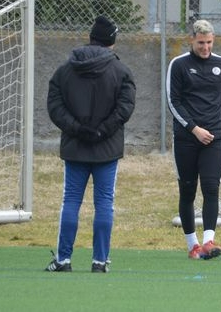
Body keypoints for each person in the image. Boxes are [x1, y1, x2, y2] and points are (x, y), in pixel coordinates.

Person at [45, 15, 136, 273]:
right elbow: (125, 108)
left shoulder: (65, 69)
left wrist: (78, 129)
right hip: (106, 148)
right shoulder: (121, 71)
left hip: (75, 146)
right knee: (105, 202)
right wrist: (101, 131)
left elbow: (55, 106)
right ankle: (99, 261)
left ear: (90, 37)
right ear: (112, 40)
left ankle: (63, 260)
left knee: (71, 201)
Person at [167, 19, 221, 260]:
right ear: (192, 40)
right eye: (200, 43)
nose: (205, 47)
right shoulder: (178, 65)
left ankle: (209, 241)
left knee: (211, 187)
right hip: (186, 139)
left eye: (208, 43)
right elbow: (172, 102)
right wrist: (193, 128)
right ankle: (193, 245)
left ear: (213, 40)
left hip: (215, 139)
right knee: (187, 191)